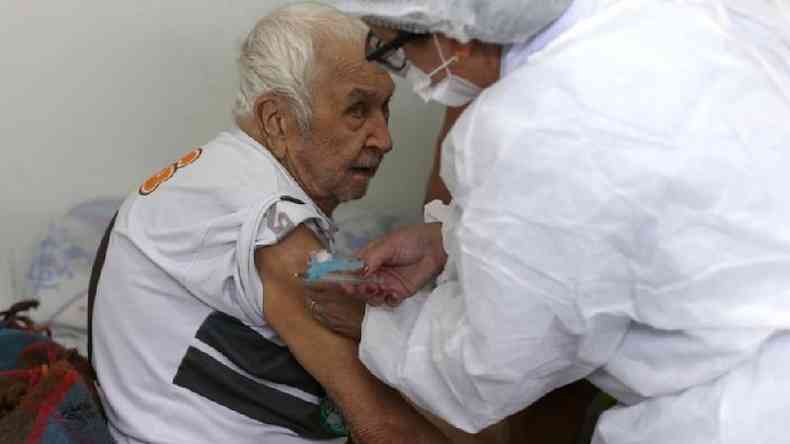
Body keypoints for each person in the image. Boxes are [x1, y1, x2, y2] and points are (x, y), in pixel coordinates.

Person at [309, 0, 790, 443]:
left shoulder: (532, 128)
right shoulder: (663, 16)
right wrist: (447, 240)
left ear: (454, 38)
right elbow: (636, 204)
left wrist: (377, 327)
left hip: (742, 413)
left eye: (391, 50)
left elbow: (496, 368)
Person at [87, 4, 456, 444]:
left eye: (385, 109)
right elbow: (382, 425)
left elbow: (348, 306)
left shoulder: (229, 180)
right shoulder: (270, 223)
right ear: (276, 120)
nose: (385, 138)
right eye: (357, 110)